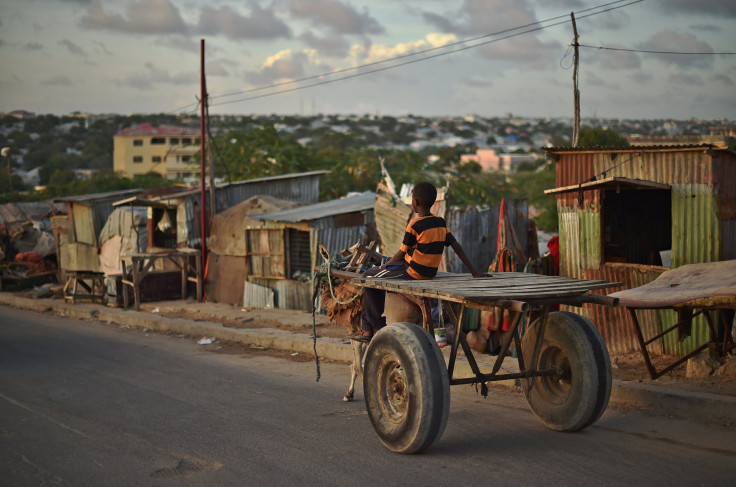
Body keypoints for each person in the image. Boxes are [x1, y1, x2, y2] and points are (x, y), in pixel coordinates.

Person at [350, 181, 488, 342]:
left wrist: (385, 265)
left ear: (415, 202)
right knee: (379, 273)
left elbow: (401, 254)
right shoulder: (440, 223)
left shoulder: (414, 224)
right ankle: (369, 326)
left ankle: (371, 328)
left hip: (413, 272)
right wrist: (474, 272)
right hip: (430, 272)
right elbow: (457, 247)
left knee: (368, 277)